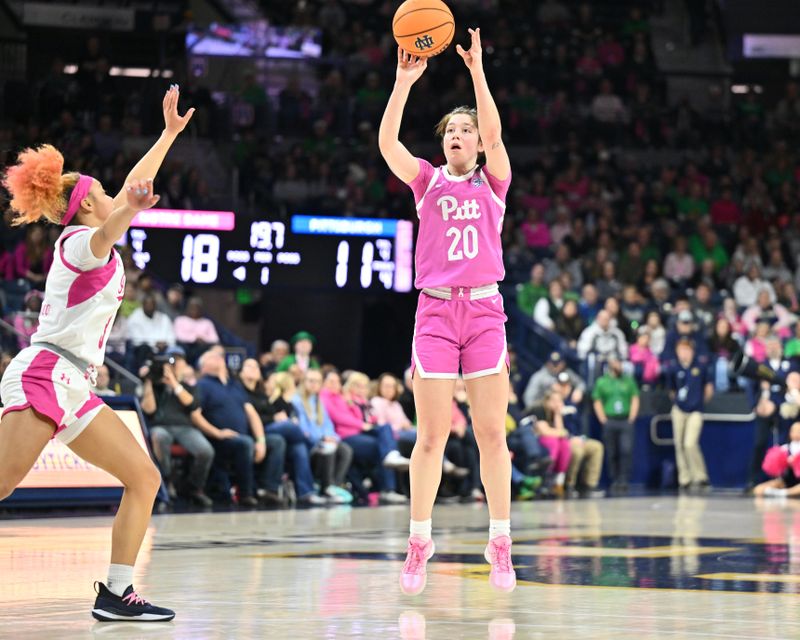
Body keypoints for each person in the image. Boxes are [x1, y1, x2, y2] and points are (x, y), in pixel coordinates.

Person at [0, 84, 193, 622]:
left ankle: (117, 593)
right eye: (108, 193)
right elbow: (113, 222)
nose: (119, 195)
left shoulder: (97, 235)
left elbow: (131, 192)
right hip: (45, 372)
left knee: (144, 478)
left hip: (74, 383)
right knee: (2, 482)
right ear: (88, 202)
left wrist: (168, 135)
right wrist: (126, 210)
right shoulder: (77, 244)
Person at [379, 28, 516, 594]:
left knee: (491, 435)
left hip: (484, 314)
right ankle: (419, 540)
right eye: (451, 131)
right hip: (435, 315)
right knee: (430, 437)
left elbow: (494, 128)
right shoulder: (428, 182)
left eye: (467, 131)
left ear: (478, 143)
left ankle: (501, 541)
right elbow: (389, 144)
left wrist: (478, 72)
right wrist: (403, 83)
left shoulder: (496, 182)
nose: (459, 135)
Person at [195, 349, 278, 508]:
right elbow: (195, 415)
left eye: (219, 356)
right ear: (203, 366)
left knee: (275, 441)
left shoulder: (235, 385)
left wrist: (260, 441)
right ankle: (246, 494)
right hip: (217, 439)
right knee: (245, 443)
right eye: (212, 357)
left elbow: (252, 414)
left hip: (242, 435)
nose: (218, 358)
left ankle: (269, 489)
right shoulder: (203, 384)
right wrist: (217, 433)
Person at [140, 346, 214, 507]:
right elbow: (149, 409)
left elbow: (191, 404)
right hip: (160, 426)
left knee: (205, 450)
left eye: (177, 361)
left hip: (185, 427)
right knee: (159, 437)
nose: (173, 365)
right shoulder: (155, 385)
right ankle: (165, 482)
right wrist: (149, 381)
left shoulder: (189, 385)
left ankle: (194, 488)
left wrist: (173, 382)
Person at [292, 368, 353, 504]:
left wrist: (332, 437)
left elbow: (328, 425)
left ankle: (333, 486)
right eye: (311, 381)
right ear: (304, 382)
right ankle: (325, 487)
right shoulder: (296, 401)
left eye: (317, 381)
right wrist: (323, 438)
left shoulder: (318, 401)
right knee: (329, 447)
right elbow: (303, 429)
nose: (314, 384)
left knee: (345, 450)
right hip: (310, 443)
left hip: (322, 440)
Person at [666, 338, 713, 493]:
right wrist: (679, 403)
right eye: (681, 350)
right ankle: (684, 479)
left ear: (692, 351)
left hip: (695, 410)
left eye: (686, 350)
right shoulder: (673, 368)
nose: (684, 353)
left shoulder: (700, 366)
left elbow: (708, 388)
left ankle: (700, 476)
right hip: (679, 409)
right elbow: (671, 390)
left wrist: (699, 403)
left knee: (690, 443)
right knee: (679, 444)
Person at [592, 356, 640, 494]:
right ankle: (614, 479)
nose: (618, 365)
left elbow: (635, 398)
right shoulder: (602, 381)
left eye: (619, 362)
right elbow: (597, 400)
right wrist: (603, 418)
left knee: (626, 450)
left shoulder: (628, 380)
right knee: (612, 451)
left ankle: (624, 479)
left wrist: (631, 417)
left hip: (625, 420)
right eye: (616, 362)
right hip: (610, 419)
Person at [753, 422, 800, 498]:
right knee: (758, 489)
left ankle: (784, 493)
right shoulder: (784, 448)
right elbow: (775, 470)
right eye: (794, 431)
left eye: (799, 431)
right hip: (786, 481)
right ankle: (784, 492)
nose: (796, 434)